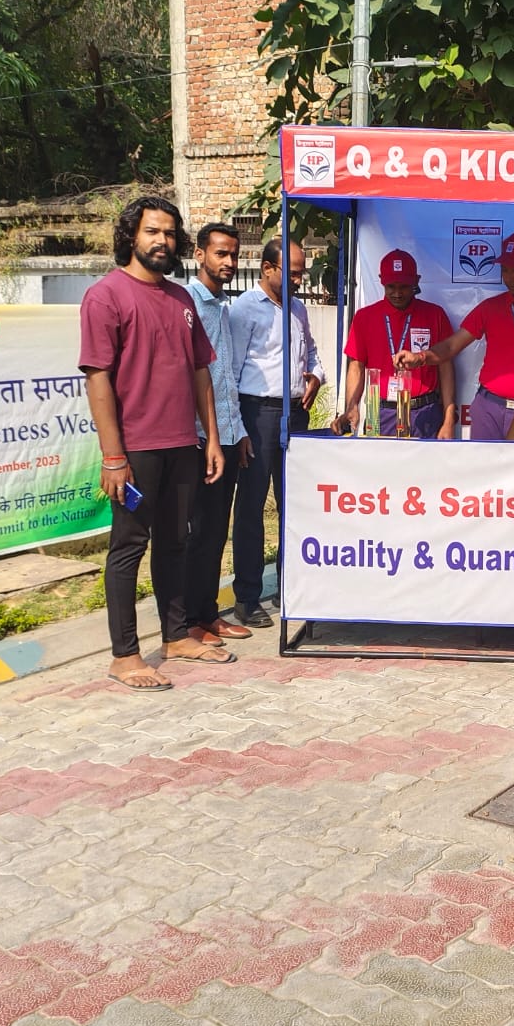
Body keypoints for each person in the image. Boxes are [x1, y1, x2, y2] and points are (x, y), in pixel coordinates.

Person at [78, 196, 233, 691]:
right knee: (128, 547)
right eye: (152, 231)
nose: (162, 241)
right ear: (131, 236)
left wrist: (211, 438)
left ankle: (175, 636)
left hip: (183, 443)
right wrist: (113, 456)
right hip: (136, 449)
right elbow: (98, 380)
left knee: (175, 542)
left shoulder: (181, 299)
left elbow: (200, 372)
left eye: (169, 233)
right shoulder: (106, 296)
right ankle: (124, 655)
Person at [394, 231, 514, 442]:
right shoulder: (490, 308)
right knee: (483, 465)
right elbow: (452, 346)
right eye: (504, 270)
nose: (508, 278)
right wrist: (419, 357)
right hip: (489, 409)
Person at [227, 238, 325, 628]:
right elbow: (232, 371)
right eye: (293, 273)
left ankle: (290, 586)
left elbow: (311, 352)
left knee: (294, 504)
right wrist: (238, 428)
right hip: (257, 412)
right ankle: (247, 596)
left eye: (302, 273)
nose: (299, 280)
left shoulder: (298, 308)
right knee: (252, 507)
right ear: (267, 268)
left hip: (295, 412)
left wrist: (316, 376)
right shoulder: (244, 309)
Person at [182, 222, 254, 646]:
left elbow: (225, 376)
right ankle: (190, 620)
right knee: (198, 532)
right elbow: (190, 377)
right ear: (200, 255)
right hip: (197, 438)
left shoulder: (223, 308)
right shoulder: (187, 305)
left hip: (226, 435)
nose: (229, 262)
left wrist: (237, 431)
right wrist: (208, 435)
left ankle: (208, 614)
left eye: (234, 255)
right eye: (220, 254)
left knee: (215, 531)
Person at [330, 249, 456, 439]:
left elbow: (446, 367)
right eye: (391, 286)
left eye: (404, 286)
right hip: (380, 412)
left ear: (416, 281)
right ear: (381, 280)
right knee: (379, 459)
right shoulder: (364, 317)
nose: (397, 293)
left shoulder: (435, 315)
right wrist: (351, 406)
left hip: (424, 412)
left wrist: (448, 419)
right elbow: (356, 366)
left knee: (427, 461)